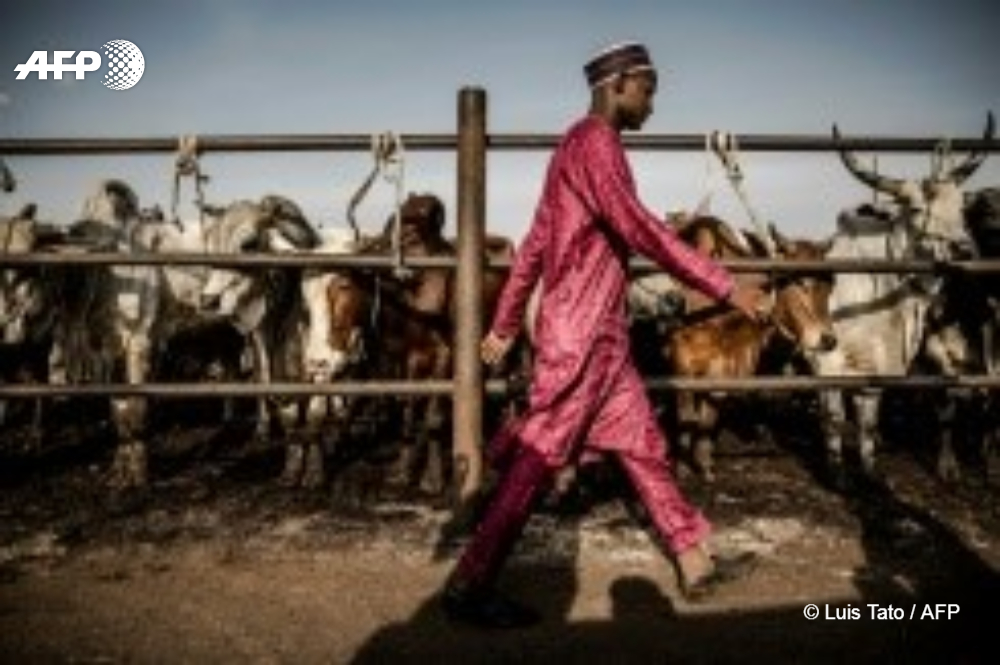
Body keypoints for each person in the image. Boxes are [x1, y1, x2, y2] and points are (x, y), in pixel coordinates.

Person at [441, 41, 769, 629]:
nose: (652, 104)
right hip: (584, 336)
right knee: (537, 459)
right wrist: (724, 285)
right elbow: (640, 228)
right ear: (617, 85)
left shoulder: (572, 145)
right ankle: (471, 581)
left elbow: (536, 243)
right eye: (647, 90)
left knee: (642, 445)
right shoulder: (597, 144)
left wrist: (508, 321)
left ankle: (695, 563)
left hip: (597, 336)